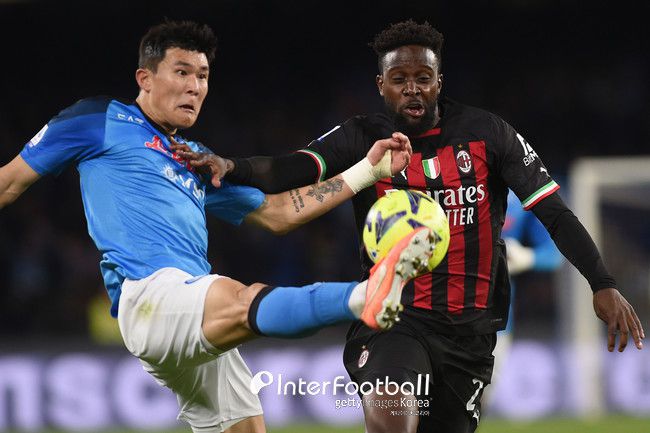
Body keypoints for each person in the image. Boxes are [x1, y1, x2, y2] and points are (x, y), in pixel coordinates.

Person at [179, 19, 645, 433]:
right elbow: (291, 168)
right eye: (399, 79)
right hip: (394, 319)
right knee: (391, 416)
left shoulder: (488, 134)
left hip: (469, 334)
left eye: (423, 78)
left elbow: (554, 212)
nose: (412, 90)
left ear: (439, 81)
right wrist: (231, 165)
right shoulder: (362, 138)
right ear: (381, 85)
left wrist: (601, 282)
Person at [0, 20, 439, 433]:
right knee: (240, 297)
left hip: (191, 309)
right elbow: (9, 183)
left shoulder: (194, 158)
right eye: (182, 72)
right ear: (145, 78)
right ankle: (362, 296)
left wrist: (367, 171)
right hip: (151, 297)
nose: (194, 86)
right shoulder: (97, 119)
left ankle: (364, 295)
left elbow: (280, 213)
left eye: (203, 76)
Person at [482, 189, 564, 408]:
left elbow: (554, 254)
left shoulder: (522, 193)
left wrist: (526, 257)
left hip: (496, 318)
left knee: (477, 403)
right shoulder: (446, 183)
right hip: (442, 309)